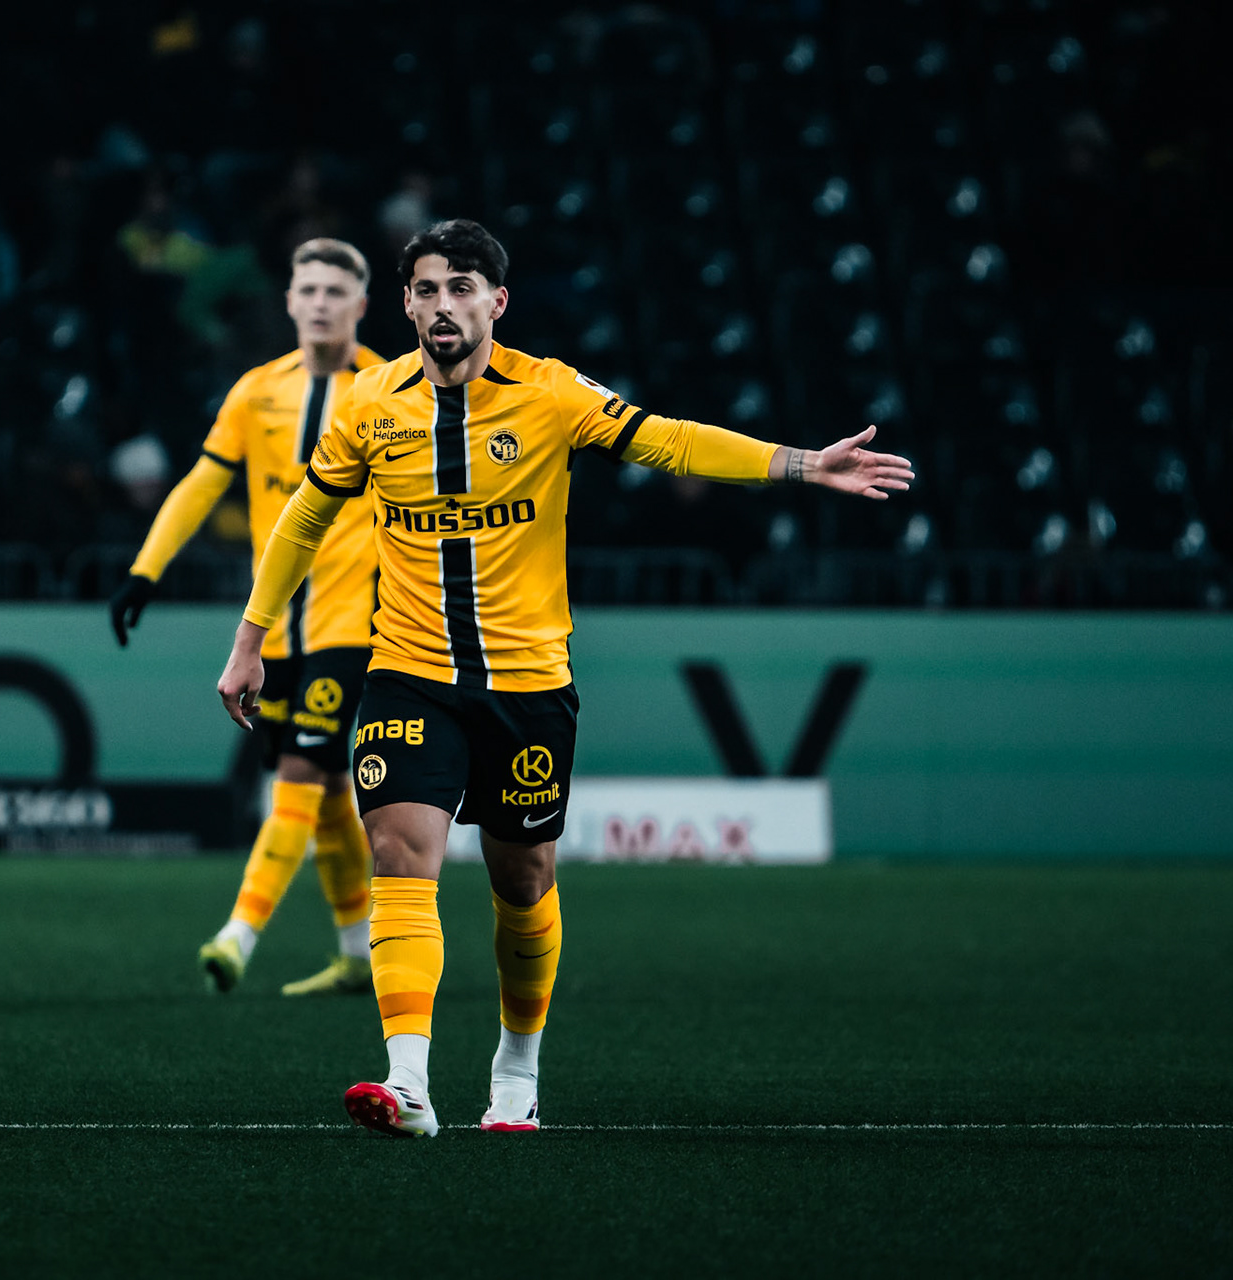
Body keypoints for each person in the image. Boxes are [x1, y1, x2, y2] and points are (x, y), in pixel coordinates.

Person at [215, 219, 912, 1136]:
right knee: (398, 853)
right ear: (408, 306)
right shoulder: (370, 405)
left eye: (463, 287)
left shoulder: (550, 393)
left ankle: (517, 1068)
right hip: (408, 673)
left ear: (497, 303)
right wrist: (250, 637)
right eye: (426, 289)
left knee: (523, 883)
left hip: (528, 687)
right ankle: (409, 1082)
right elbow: (304, 519)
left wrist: (798, 465)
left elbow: (668, 440)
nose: (443, 305)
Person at [111, 238, 385, 996]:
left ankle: (238, 936)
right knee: (328, 792)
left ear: (361, 307)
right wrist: (145, 571)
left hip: (356, 625)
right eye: (310, 289)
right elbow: (202, 484)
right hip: (276, 631)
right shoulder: (255, 390)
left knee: (300, 772)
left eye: (338, 291)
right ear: (291, 301)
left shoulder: (393, 389)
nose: (323, 301)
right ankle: (358, 954)